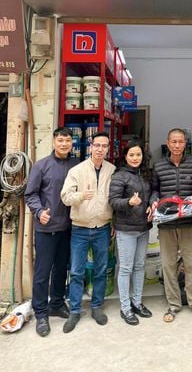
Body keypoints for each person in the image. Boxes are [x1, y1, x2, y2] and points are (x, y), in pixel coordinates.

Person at [151, 128, 192, 324]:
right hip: (166, 224)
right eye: (173, 142)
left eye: (180, 142)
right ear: (168, 143)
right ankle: (173, 305)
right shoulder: (158, 166)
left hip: (189, 223)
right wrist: (153, 201)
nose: (177, 145)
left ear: (185, 144)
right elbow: (154, 189)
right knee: (169, 266)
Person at [60, 131, 114, 333]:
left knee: (100, 269)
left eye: (104, 146)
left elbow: (115, 198)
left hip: (103, 227)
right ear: (91, 146)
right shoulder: (77, 170)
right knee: (76, 271)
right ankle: (75, 310)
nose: (100, 149)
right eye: (97, 145)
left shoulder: (112, 170)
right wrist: (81, 195)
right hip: (80, 228)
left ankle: (96, 306)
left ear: (108, 148)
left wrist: (114, 222)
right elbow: (65, 197)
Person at [25, 126, 76, 337]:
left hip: (68, 227)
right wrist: (39, 212)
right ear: (54, 142)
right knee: (42, 272)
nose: (64, 144)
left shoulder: (76, 165)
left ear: (72, 143)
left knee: (61, 269)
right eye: (60, 140)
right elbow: (30, 194)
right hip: (46, 228)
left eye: (67, 140)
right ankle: (41, 313)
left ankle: (57, 303)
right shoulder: (41, 166)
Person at [109, 140, 153, 326]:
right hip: (126, 229)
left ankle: (137, 302)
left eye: (138, 154)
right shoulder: (119, 176)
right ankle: (125, 307)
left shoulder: (145, 174)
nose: (135, 158)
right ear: (125, 156)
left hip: (143, 228)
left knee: (140, 266)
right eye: (131, 155)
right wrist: (129, 202)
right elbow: (113, 201)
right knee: (126, 268)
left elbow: (153, 193)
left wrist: (152, 203)